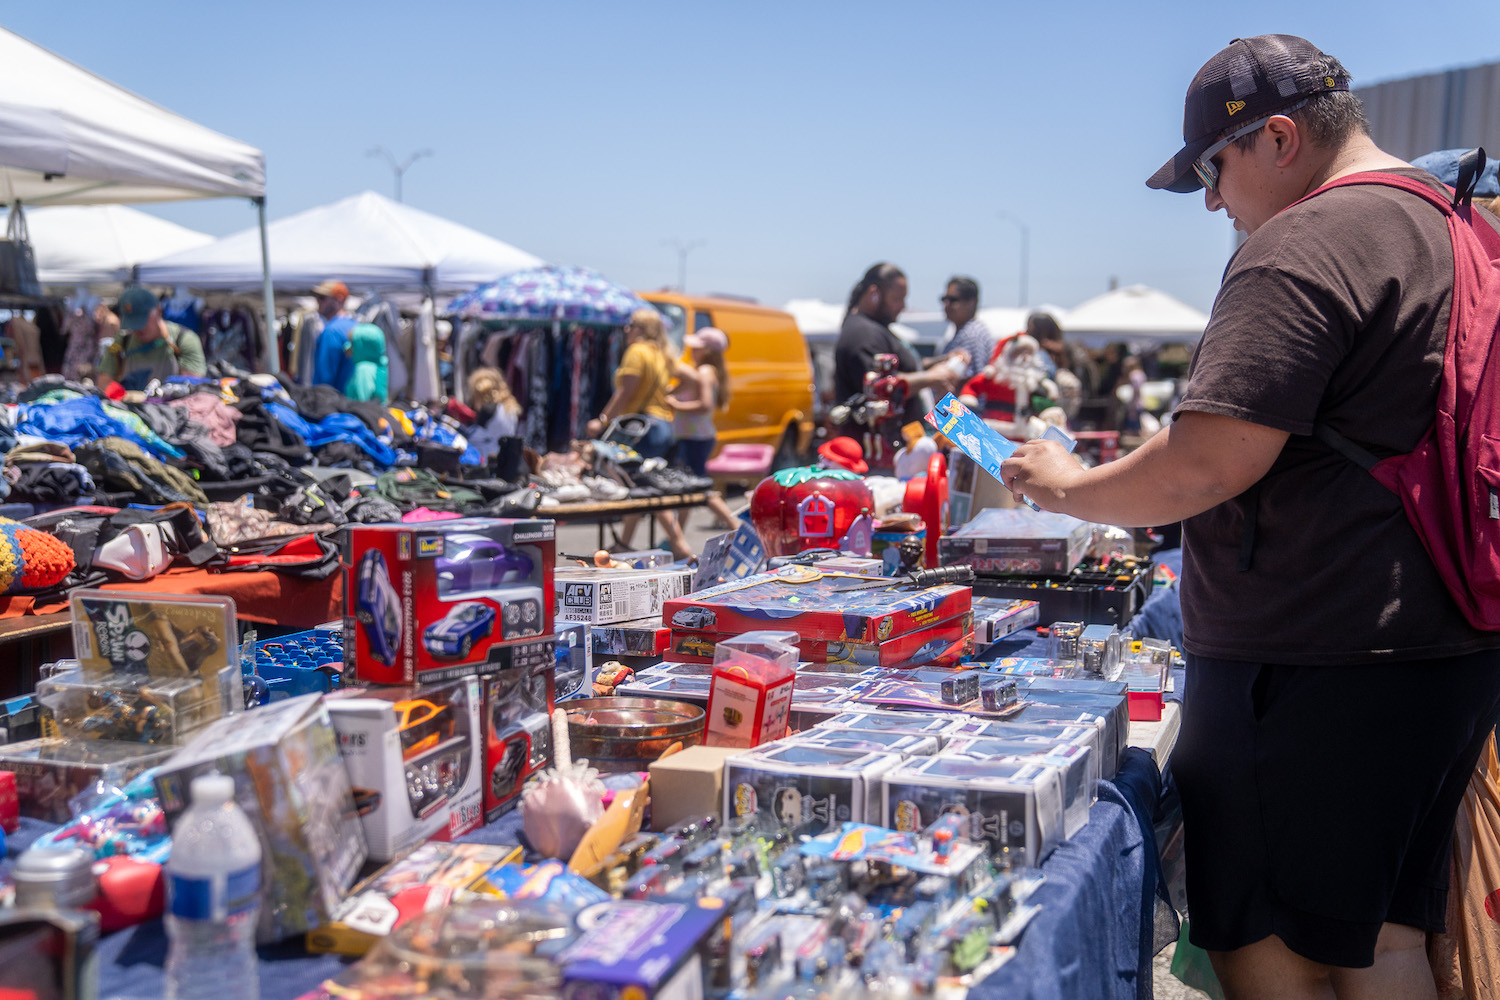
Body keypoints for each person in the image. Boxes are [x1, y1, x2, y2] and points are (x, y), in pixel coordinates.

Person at [1002, 35, 1500, 1000]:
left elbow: (1206, 462)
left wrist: (1065, 483)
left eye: (1211, 169)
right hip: (1439, 643)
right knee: (1387, 941)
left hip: (1320, 659)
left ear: (1277, 138)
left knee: (1267, 946)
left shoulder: (1311, 239)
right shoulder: (1454, 221)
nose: (1211, 201)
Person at [586, 308, 690, 557]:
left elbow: (626, 393)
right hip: (662, 424)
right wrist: (670, 397)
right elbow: (691, 378)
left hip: (641, 427)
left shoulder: (637, 352)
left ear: (642, 329)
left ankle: (680, 545)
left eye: (631, 325)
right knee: (638, 485)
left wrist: (602, 420)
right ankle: (625, 542)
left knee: (645, 486)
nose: (626, 329)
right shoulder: (661, 353)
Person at [833, 263, 965, 428]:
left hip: (908, 439)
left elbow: (907, 367)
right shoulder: (863, 333)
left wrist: (943, 360)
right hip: (882, 446)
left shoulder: (874, 328)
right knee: (982, 447)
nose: (903, 306)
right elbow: (881, 387)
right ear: (874, 293)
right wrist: (932, 378)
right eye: (897, 299)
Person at [668, 326, 739, 530]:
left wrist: (676, 405)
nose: (692, 350)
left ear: (708, 351)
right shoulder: (707, 371)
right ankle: (676, 534)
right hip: (696, 436)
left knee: (699, 487)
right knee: (690, 487)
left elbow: (705, 404)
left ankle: (734, 526)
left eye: (697, 348)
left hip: (695, 437)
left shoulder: (705, 371)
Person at [97, 286, 207, 393]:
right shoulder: (122, 340)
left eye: (142, 321)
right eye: (133, 323)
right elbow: (104, 381)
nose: (137, 328)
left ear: (158, 311)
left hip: (169, 409)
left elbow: (193, 387)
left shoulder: (184, 339)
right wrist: (122, 396)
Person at [939, 276, 993, 379]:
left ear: (972, 303)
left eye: (953, 300)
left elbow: (977, 381)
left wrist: (946, 396)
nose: (947, 305)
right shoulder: (962, 332)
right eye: (944, 299)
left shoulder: (972, 335)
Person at [309, 280, 356, 391]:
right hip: (354, 401)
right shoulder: (356, 325)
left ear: (339, 299)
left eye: (322, 297)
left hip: (334, 402)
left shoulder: (331, 331)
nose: (317, 302)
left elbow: (324, 377)